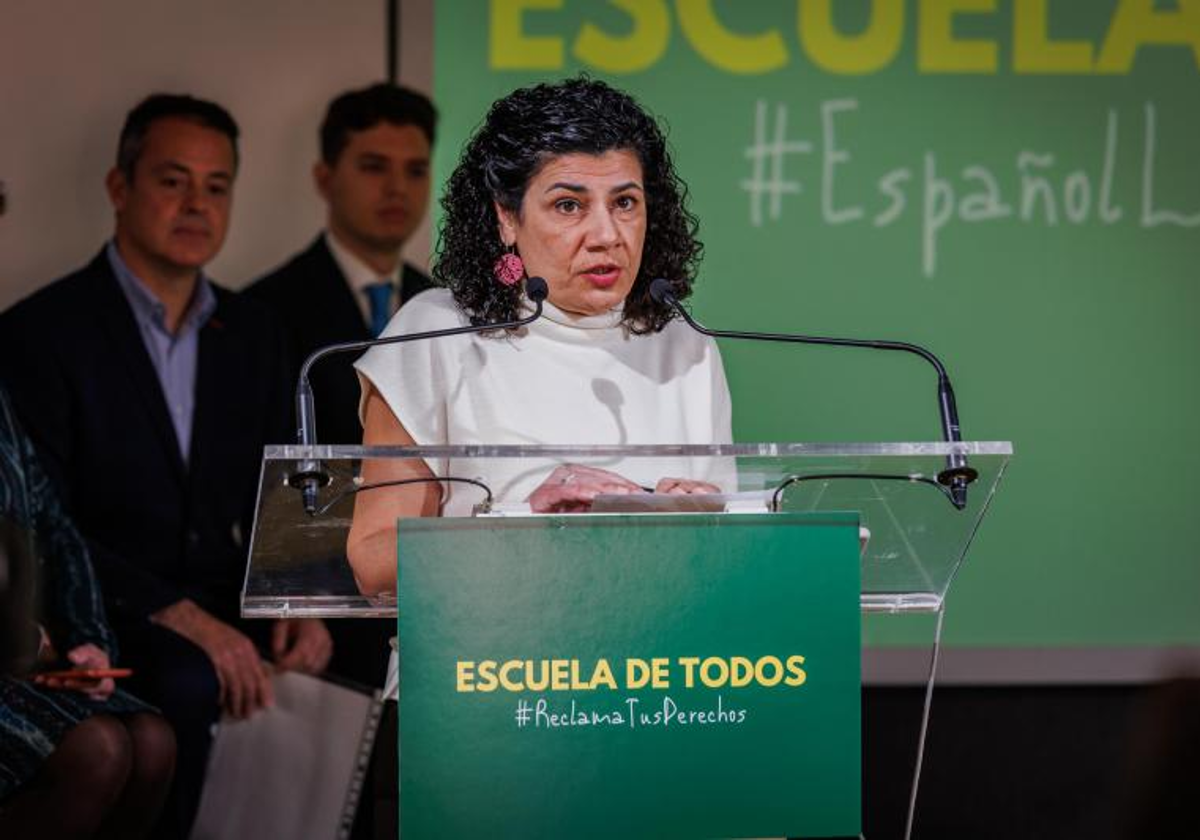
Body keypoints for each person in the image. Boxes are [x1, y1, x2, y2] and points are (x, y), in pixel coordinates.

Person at [0, 93, 332, 839]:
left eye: (217, 187)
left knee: (350, 661)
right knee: (187, 679)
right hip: (102, 605)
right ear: (120, 189)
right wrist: (191, 622)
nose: (196, 204)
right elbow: (42, 522)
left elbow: (289, 476)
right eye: (172, 180)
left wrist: (300, 597)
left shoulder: (254, 331)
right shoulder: (40, 332)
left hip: (218, 593)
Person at [346, 76, 733, 596]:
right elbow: (373, 560)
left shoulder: (685, 346)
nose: (606, 235)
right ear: (507, 216)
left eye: (625, 203)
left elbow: (724, 554)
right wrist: (521, 523)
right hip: (477, 662)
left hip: (652, 656)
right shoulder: (434, 333)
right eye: (569, 205)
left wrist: (702, 525)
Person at [0, 384, 176, 838]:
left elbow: (55, 528)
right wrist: (19, 636)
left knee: (153, 740)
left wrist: (87, 639)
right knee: (100, 748)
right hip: (14, 646)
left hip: (21, 656)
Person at [246, 82, 437, 446]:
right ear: (325, 178)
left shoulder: (443, 306)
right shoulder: (265, 310)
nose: (397, 188)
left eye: (415, 171)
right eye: (374, 167)